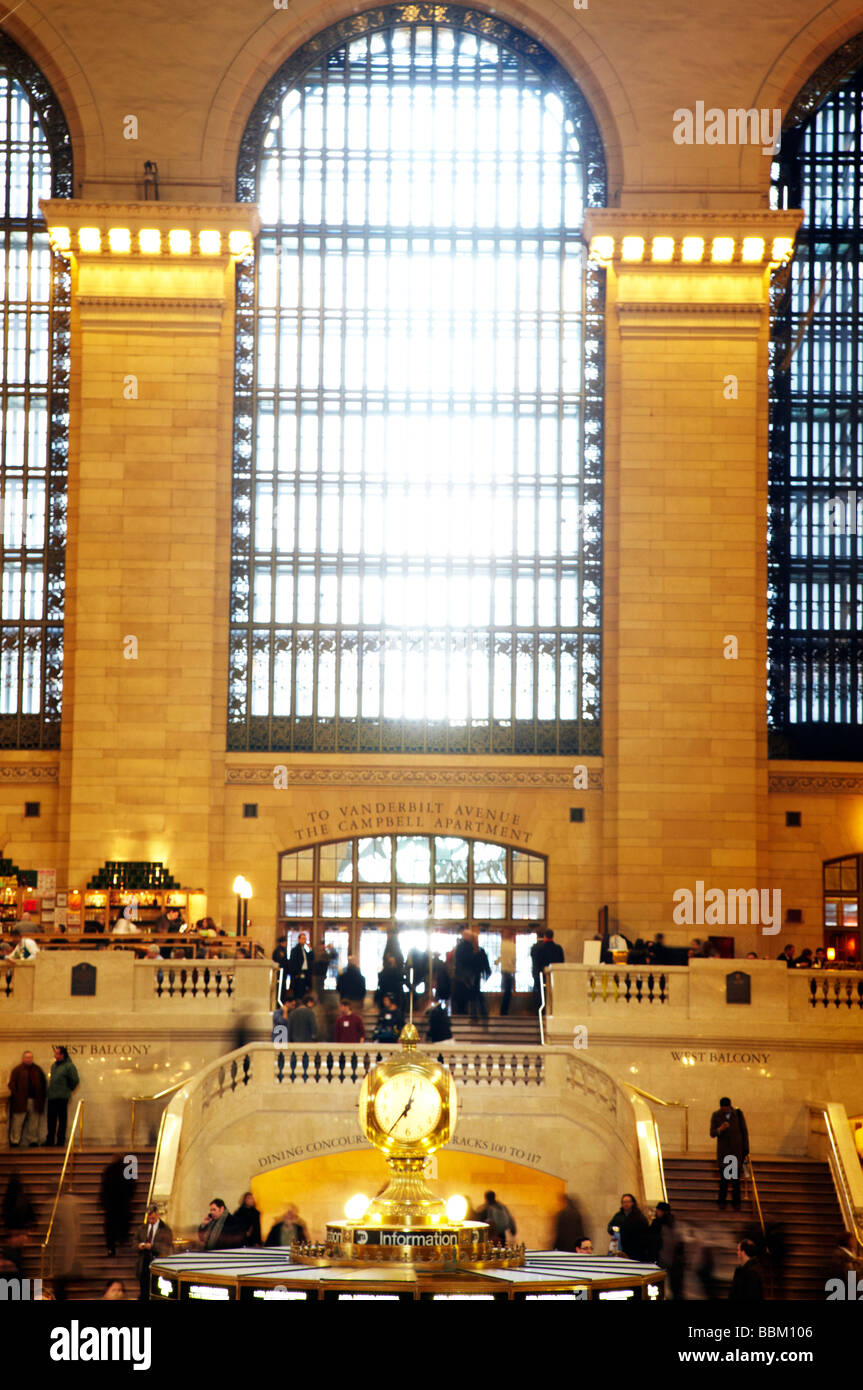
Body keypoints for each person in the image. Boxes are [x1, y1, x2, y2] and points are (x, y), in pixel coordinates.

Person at [710, 1096, 749, 1211]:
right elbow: (712, 1133)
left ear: (729, 1106)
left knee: (736, 1178)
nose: (725, 1111)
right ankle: (722, 1201)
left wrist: (746, 1149)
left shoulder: (738, 1114)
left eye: (726, 1109)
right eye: (723, 1109)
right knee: (724, 1178)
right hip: (724, 1152)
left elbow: (744, 1132)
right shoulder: (716, 1115)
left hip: (736, 1151)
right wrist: (720, 1128)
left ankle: (736, 1202)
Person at [100, 1152, 137, 1256]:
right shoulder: (128, 1169)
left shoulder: (109, 1169)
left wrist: (102, 1200)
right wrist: (130, 1197)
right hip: (123, 1202)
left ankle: (111, 1246)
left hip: (111, 1203)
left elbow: (104, 1186)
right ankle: (121, 1237)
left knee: (110, 1224)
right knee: (123, 1221)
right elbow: (132, 1185)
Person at [7, 1049, 47, 1147]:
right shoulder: (17, 1070)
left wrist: (42, 1096)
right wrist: (17, 1096)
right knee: (17, 1122)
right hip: (20, 1101)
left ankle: (33, 1140)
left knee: (34, 1123)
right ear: (23, 1058)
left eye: (30, 1057)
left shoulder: (37, 1069)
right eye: (27, 1057)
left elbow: (43, 1084)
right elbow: (12, 1084)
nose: (29, 1059)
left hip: (35, 1101)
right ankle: (15, 1140)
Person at [647, 1201, 685, 1297]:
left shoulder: (657, 1224)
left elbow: (654, 1242)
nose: (656, 1212)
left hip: (663, 1260)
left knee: (661, 1288)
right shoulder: (675, 1224)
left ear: (661, 1211)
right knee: (673, 1289)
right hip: (674, 1263)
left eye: (658, 1210)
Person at [136, 1203, 173, 1300]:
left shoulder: (165, 1229)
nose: (150, 1221)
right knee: (144, 1288)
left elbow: (166, 1247)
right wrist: (139, 1246)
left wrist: (152, 1246)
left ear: (157, 1215)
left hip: (157, 1261)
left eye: (153, 1218)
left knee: (155, 1288)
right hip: (144, 1262)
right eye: (149, 1218)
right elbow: (134, 1242)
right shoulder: (142, 1228)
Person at [45, 1045, 79, 1147]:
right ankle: (50, 1140)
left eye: (56, 1053)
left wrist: (67, 1090)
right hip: (52, 1096)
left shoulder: (69, 1066)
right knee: (51, 1119)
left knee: (62, 1120)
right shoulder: (54, 1066)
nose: (54, 1055)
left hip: (62, 1097)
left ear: (62, 1055)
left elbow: (75, 1080)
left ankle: (60, 1141)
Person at [606, 1193, 650, 1260]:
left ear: (632, 1203)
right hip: (621, 1246)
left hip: (635, 1248)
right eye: (624, 1202)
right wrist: (615, 1229)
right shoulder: (618, 1216)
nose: (626, 1204)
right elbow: (610, 1227)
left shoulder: (639, 1216)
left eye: (628, 1202)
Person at [452, 929, 476, 1015]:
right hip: (466, 975)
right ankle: (463, 1010)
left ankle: (459, 1009)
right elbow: (470, 961)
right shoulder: (469, 947)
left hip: (459, 975)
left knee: (460, 994)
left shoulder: (459, 947)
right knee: (465, 993)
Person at [287, 932, 313, 996]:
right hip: (298, 974)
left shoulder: (304, 950)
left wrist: (310, 949)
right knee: (298, 992)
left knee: (304, 992)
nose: (304, 940)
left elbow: (310, 959)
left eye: (305, 939)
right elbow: (293, 963)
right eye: (303, 938)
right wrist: (296, 974)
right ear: (299, 940)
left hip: (305, 973)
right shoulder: (295, 950)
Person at [498, 930, 516, 1016]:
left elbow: (501, 958)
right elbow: (513, 959)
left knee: (506, 990)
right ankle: (504, 1011)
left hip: (504, 970)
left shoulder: (502, 945)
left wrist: (497, 962)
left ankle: (503, 1011)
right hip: (509, 971)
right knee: (508, 992)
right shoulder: (512, 946)